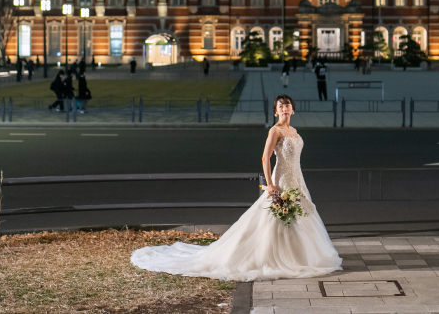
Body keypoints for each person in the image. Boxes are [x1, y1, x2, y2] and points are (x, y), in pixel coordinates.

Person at [130, 95, 342, 280]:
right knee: (276, 216)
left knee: (299, 216)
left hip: (297, 178)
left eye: (287, 105)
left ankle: (300, 255)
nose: (284, 108)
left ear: (293, 109)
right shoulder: (275, 131)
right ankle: (272, 256)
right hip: (282, 178)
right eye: (280, 106)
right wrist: (270, 184)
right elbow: (265, 157)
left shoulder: (294, 131)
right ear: (276, 111)